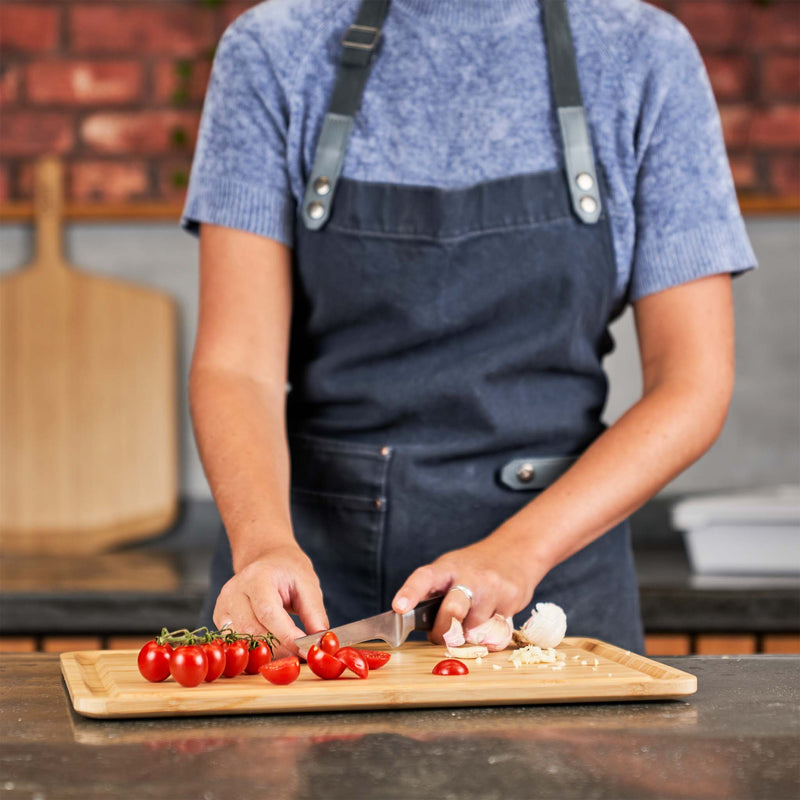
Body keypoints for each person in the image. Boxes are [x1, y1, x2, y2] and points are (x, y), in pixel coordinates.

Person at [181, 0, 756, 657]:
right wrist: (262, 545)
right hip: (309, 594)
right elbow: (237, 366)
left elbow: (693, 384)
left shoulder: (646, 57)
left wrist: (520, 550)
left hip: (553, 588)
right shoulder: (271, 52)